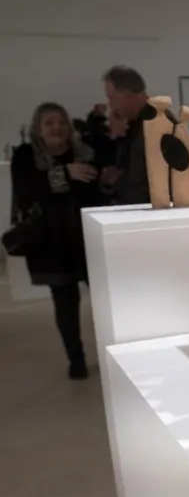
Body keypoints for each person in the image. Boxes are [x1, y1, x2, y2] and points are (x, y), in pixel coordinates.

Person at [10, 103, 112, 379]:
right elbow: (26, 189)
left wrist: (106, 181)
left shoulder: (85, 152)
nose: (56, 127)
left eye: (61, 122)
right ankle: (76, 359)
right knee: (65, 303)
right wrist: (66, 173)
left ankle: (111, 354)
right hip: (52, 242)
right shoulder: (25, 155)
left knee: (104, 299)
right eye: (49, 123)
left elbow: (98, 195)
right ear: (38, 129)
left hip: (86, 239)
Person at [102, 65, 151, 204]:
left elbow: (146, 186)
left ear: (128, 95)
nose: (110, 105)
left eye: (112, 98)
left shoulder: (156, 125)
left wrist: (116, 180)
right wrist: (118, 138)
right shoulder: (133, 125)